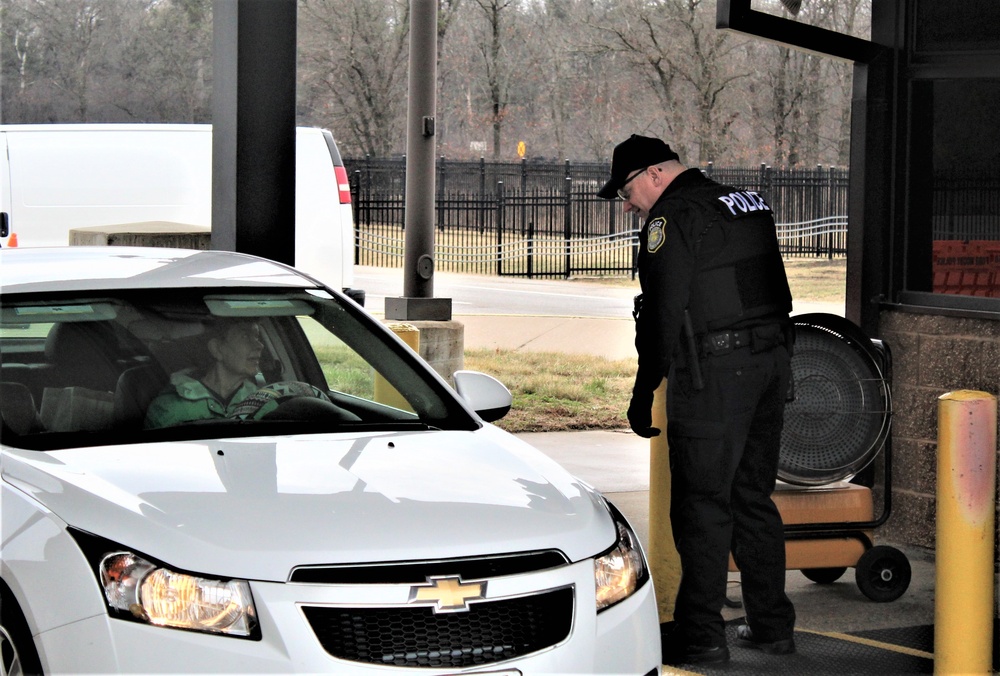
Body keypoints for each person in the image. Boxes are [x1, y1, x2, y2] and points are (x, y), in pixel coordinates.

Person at [598, 134, 796, 666]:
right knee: (753, 498)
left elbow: (664, 312)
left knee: (702, 506)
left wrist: (644, 391)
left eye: (627, 189)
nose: (628, 203)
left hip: (716, 374)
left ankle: (702, 636)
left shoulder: (673, 217)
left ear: (655, 175)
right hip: (772, 364)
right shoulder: (745, 202)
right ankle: (773, 627)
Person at [145, 319, 264, 428]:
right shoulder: (170, 408)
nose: (260, 345)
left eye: (257, 337)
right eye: (244, 336)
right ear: (217, 349)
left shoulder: (263, 402)